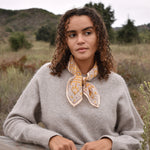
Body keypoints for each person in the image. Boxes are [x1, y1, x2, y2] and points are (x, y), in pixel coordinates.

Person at [3, 7, 146, 150]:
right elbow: (14, 122)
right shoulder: (47, 75)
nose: (80, 40)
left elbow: (137, 136)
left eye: (88, 33)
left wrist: (109, 143)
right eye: (72, 35)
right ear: (65, 41)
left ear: (99, 37)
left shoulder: (115, 83)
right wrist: (50, 138)